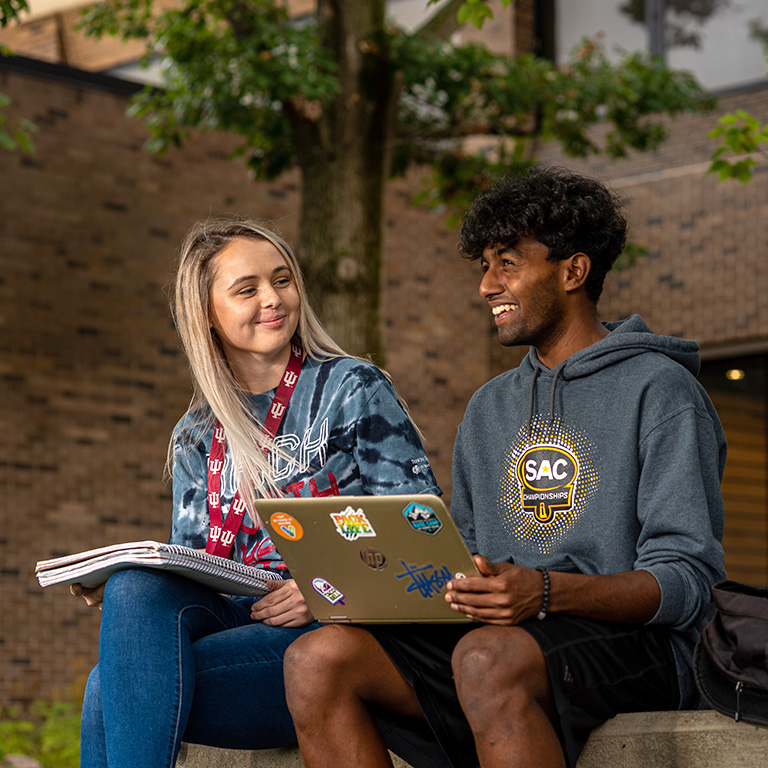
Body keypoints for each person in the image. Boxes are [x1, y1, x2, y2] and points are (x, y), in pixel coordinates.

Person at [282, 166, 728, 768]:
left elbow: (688, 584)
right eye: (484, 265)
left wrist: (544, 592)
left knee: (486, 658)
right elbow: (457, 552)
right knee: (317, 659)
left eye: (508, 263)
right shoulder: (489, 407)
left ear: (574, 271)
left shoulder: (661, 392)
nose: (487, 285)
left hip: (641, 647)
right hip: (500, 637)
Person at [71, 216, 441, 768]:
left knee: (109, 690)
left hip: (334, 634)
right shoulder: (195, 432)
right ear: (207, 315)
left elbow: (425, 542)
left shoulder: (353, 389)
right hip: (237, 615)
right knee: (136, 587)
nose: (273, 299)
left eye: (282, 280)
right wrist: (119, 579)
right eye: (247, 289)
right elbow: (192, 570)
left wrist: (327, 583)